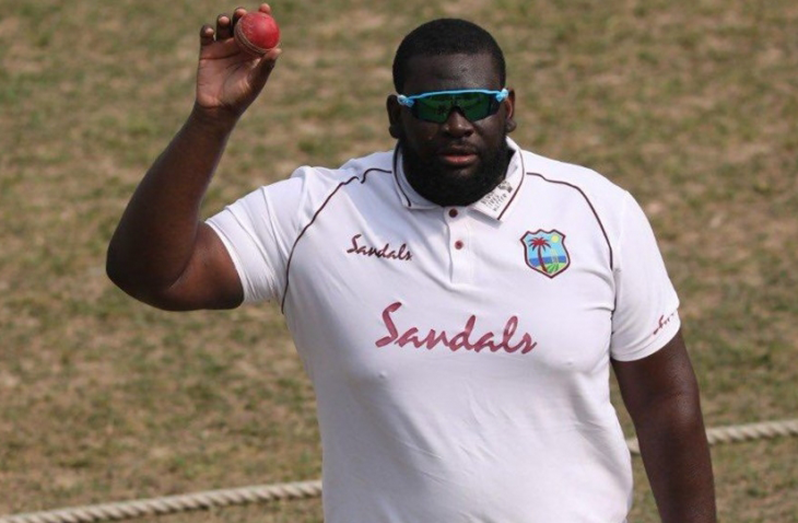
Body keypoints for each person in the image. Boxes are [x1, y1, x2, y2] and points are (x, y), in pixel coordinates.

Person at [107, 5, 717, 522]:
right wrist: (212, 121)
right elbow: (154, 273)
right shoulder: (316, 214)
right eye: (432, 107)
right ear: (396, 115)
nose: (457, 125)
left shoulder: (596, 212)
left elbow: (664, 401)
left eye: (476, 103)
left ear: (509, 109)